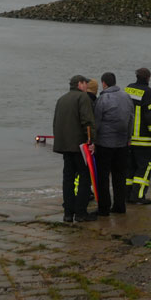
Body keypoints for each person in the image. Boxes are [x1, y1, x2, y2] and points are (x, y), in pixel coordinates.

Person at [53, 74, 97, 222]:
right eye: (85, 83)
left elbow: (56, 123)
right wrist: (91, 142)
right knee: (85, 178)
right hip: (80, 146)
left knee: (68, 179)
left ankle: (67, 213)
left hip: (65, 146)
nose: (86, 86)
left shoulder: (61, 99)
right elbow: (88, 121)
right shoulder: (82, 98)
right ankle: (80, 213)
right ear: (79, 84)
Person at [93, 72, 134, 216]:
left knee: (103, 177)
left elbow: (96, 123)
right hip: (122, 143)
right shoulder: (126, 97)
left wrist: (92, 140)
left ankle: (104, 208)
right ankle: (119, 205)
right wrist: (129, 137)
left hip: (104, 144)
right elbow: (131, 119)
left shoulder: (102, 99)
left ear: (104, 83)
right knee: (120, 176)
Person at [124, 67, 151, 204]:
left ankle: (127, 196)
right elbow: (150, 117)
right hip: (143, 140)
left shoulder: (128, 89)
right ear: (147, 78)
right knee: (144, 168)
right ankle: (138, 196)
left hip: (129, 138)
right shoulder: (148, 92)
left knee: (130, 169)